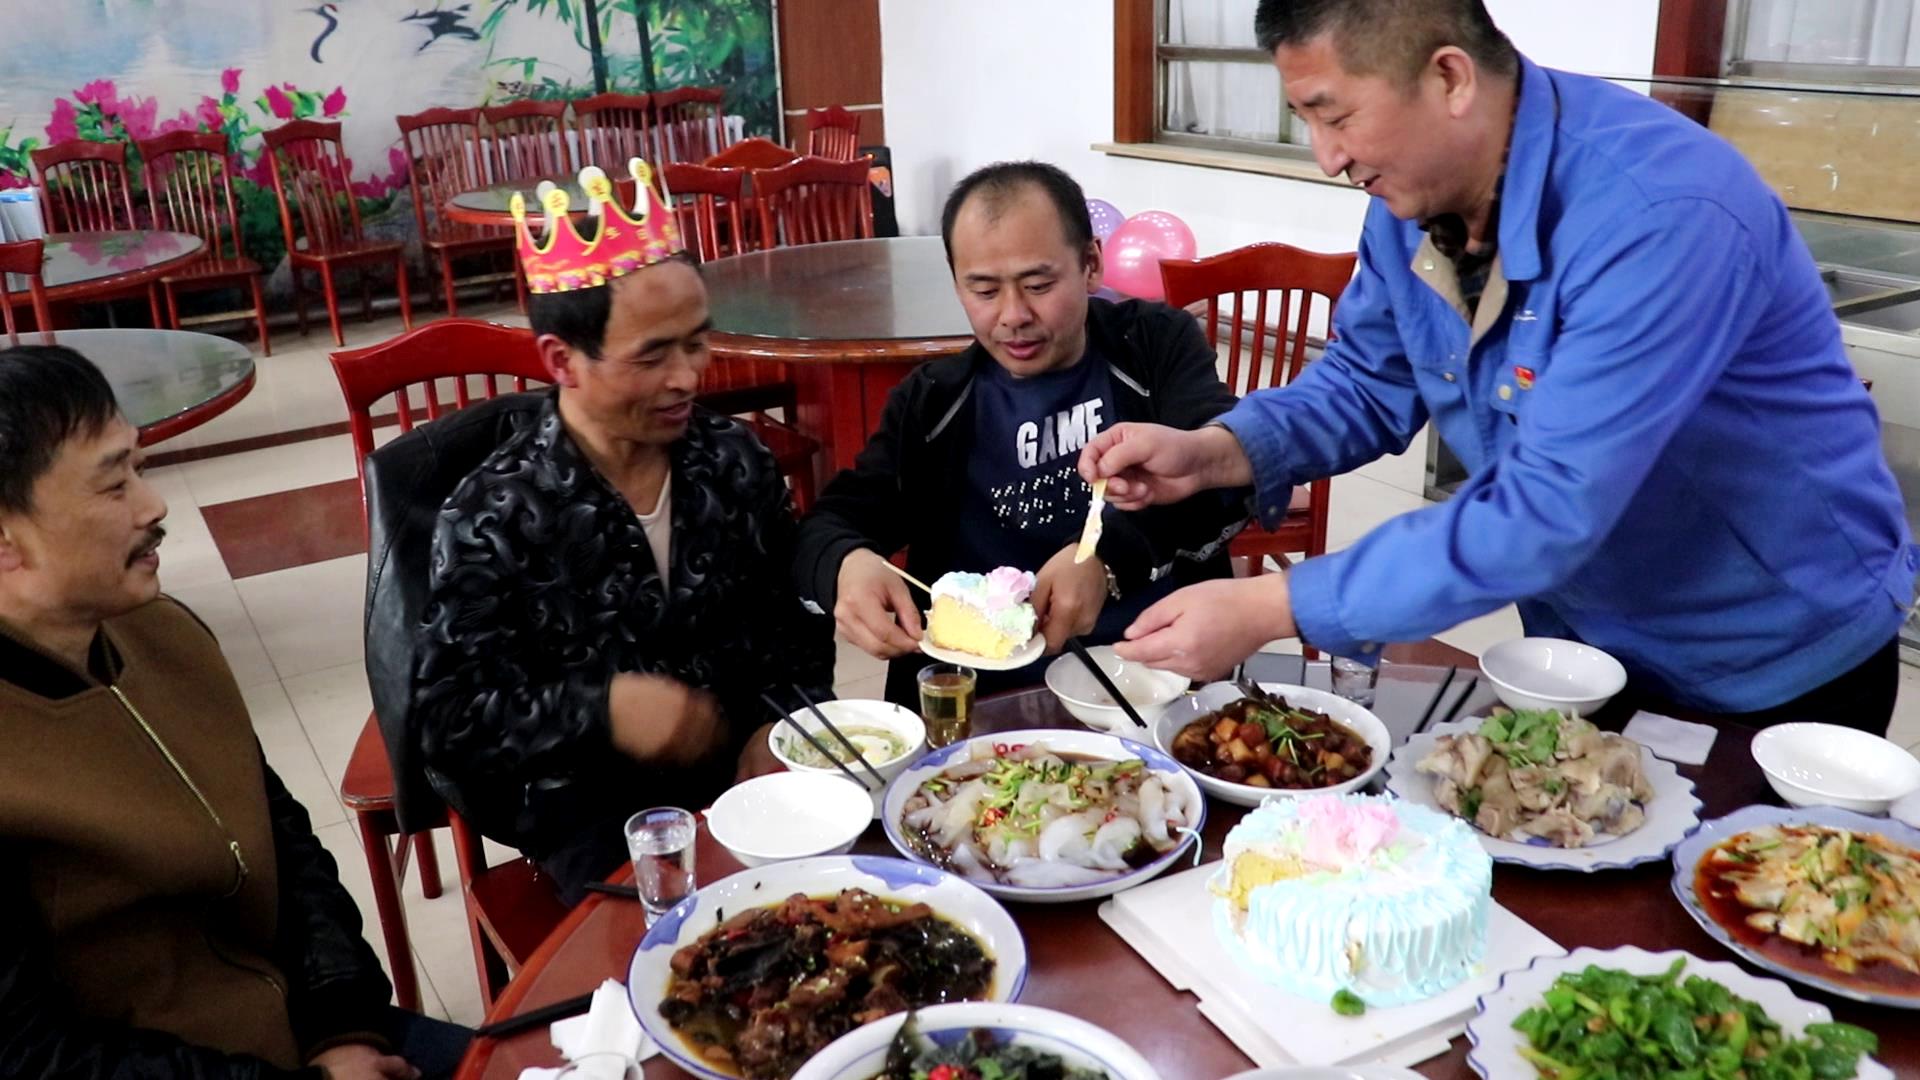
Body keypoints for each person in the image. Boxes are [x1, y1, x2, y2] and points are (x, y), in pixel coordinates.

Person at [1081, 0, 1917, 732]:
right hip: (1582, 641)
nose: (1326, 156)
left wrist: (1276, 604)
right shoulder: (1412, 201)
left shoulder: (1659, 215)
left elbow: (1546, 509)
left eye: (1335, 116)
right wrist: (1217, 451)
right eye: (1305, 120)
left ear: (1449, 78)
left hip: (1774, 652)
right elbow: (1367, 380)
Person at [0, 345, 468, 1080]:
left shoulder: (163, 636)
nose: (152, 505)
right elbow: (33, 1057)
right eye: (114, 484)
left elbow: (285, 842)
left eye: (140, 468)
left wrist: (342, 1029)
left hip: (310, 1033)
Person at [410, 166, 834, 904]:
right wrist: (603, 711)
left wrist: (778, 728)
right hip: (592, 816)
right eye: (653, 356)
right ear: (560, 360)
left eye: (696, 344)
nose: (688, 377)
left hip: (748, 779)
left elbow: (793, 630)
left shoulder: (735, 461)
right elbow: (449, 724)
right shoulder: (496, 512)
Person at [793, 161, 1250, 705]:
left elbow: (1226, 475)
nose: (1013, 315)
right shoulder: (933, 402)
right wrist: (844, 564)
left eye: (1038, 285)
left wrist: (1106, 560)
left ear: (1091, 264)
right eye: (984, 290)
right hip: (982, 696)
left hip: (1152, 679)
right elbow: (831, 522)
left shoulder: (1153, 347)